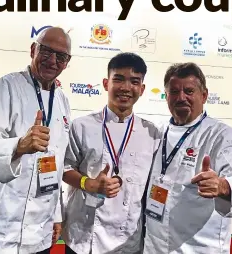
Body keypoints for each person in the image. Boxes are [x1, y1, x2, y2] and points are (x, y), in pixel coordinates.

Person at [0, 27, 72, 254]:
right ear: (33, 50)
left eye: (60, 56)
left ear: (67, 62)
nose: (52, 61)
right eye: (47, 51)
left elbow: (57, 164)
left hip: (38, 234)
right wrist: (19, 146)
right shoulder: (7, 86)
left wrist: (56, 216)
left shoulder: (63, 101)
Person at [143, 62, 232, 254]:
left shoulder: (220, 135)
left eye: (189, 91)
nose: (181, 97)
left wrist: (222, 185)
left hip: (198, 248)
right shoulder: (159, 131)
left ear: (204, 96)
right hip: (154, 247)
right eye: (174, 92)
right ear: (166, 97)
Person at [62, 52, 161, 254]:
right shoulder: (81, 126)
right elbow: (63, 169)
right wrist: (87, 183)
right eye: (119, 79)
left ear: (142, 89)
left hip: (128, 240)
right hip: (84, 236)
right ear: (106, 83)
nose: (126, 88)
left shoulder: (153, 134)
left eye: (134, 81)